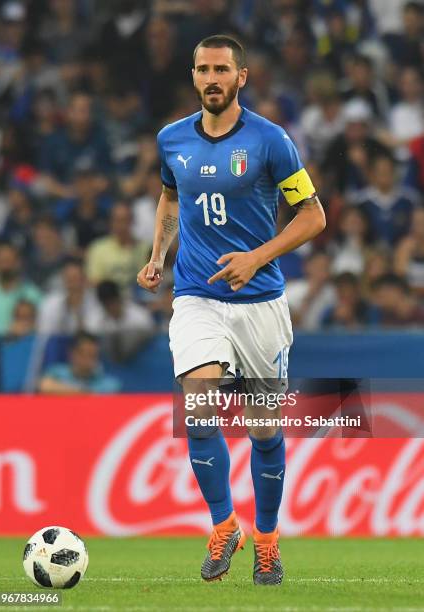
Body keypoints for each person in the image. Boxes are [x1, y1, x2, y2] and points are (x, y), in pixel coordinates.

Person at [137, 35, 326, 585]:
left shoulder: (271, 141)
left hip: (260, 302)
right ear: (193, 77)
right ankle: (224, 525)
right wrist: (156, 257)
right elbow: (170, 199)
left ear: (241, 76)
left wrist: (257, 257)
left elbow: (312, 216)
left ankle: (265, 539)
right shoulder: (171, 140)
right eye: (202, 69)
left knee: (264, 433)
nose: (211, 78)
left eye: (222, 69)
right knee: (198, 409)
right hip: (197, 296)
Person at [38, 331, 121, 394]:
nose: (88, 359)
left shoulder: (108, 383)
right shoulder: (56, 371)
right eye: (84, 353)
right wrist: (82, 392)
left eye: (93, 355)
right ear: (72, 353)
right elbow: (44, 386)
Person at [0, 242, 42, 335]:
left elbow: (41, 327)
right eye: (1, 261)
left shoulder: (33, 295)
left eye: (8, 261)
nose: (5, 266)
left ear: (18, 263)